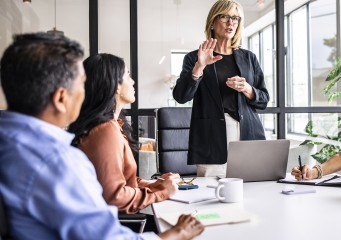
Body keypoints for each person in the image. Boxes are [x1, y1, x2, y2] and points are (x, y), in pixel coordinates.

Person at [0, 32, 204, 239]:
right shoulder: (58, 162)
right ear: (61, 98)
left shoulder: (11, 143)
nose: (86, 91)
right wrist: (177, 233)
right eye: (81, 84)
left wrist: (153, 185)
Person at [67, 54, 180, 217]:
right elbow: (114, 197)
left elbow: (122, 179)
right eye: (128, 75)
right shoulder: (105, 131)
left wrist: (155, 184)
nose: (133, 81)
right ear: (116, 86)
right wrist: (161, 193)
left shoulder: (112, 125)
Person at [172, 0, 269, 177]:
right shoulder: (194, 57)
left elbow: (264, 100)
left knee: (253, 192)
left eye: (235, 18)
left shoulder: (249, 58)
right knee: (210, 196)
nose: (231, 22)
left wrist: (247, 89)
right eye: (225, 17)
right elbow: (181, 96)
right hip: (211, 138)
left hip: (248, 133)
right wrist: (198, 68)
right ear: (213, 21)